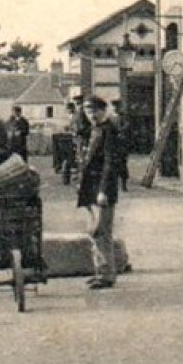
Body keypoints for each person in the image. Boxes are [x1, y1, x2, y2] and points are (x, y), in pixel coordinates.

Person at [77, 96, 124, 289]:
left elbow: (110, 164)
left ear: (103, 111)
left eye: (94, 111)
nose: (91, 115)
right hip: (93, 189)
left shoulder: (109, 131)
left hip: (102, 190)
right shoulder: (96, 130)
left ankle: (106, 274)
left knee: (101, 231)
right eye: (88, 111)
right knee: (95, 232)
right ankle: (100, 271)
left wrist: (103, 190)